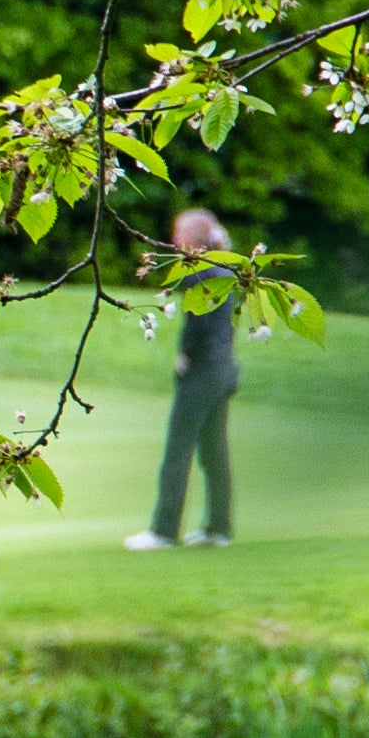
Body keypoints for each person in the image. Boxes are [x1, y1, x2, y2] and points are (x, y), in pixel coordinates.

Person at [127, 206, 240, 553]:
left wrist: (185, 356)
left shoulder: (201, 274)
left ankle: (163, 531)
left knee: (179, 448)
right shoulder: (224, 270)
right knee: (213, 451)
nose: (174, 241)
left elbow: (200, 326)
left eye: (179, 235)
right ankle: (218, 528)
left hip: (204, 369)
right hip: (224, 369)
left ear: (192, 240)